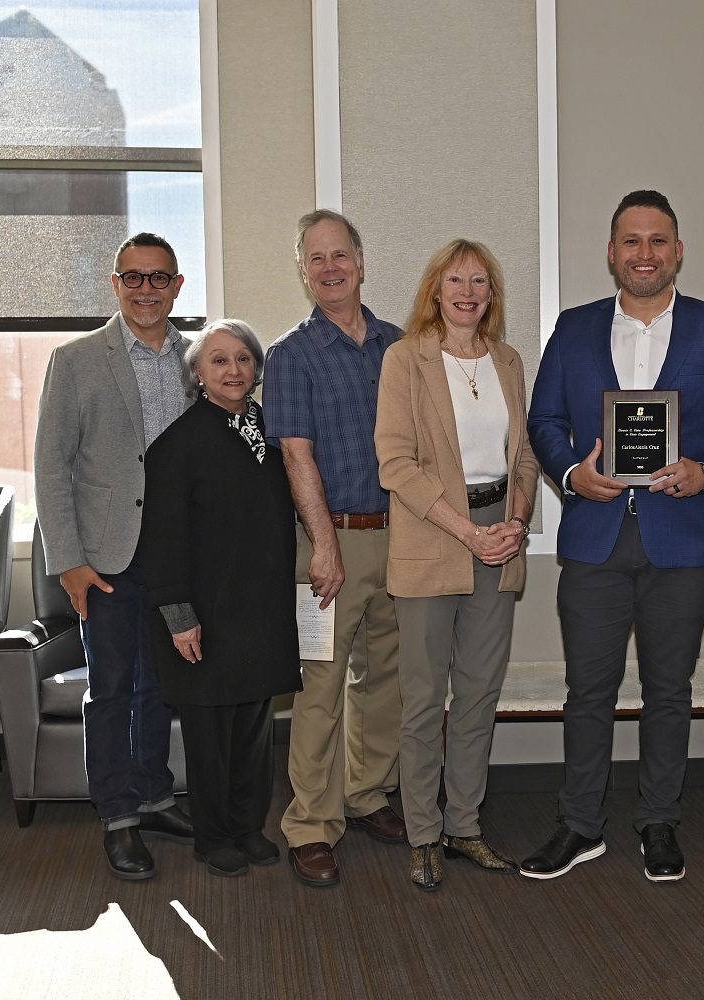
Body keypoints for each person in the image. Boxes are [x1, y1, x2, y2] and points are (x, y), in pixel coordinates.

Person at [522, 190, 704, 882]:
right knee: (588, 692)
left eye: (658, 241)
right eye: (631, 241)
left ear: (679, 252)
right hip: (595, 536)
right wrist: (572, 474)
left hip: (681, 539)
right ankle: (579, 826)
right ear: (611, 253)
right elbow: (543, 421)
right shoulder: (572, 329)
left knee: (669, 690)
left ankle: (659, 821)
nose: (644, 254)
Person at [375, 239, 540, 891]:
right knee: (422, 701)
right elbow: (396, 463)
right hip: (434, 537)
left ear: (491, 294)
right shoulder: (405, 360)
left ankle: (463, 825)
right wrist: (469, 533)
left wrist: (516, 526)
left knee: (478, 695)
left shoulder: (508, 361)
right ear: (435, 291)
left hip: (501, 536)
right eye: (456, 280)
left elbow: (523, 459)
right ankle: (421, 834)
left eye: (480, 281)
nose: (468, 291)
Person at [34, 232, 196, 880]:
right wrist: (69, 561)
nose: (146, 289)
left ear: (177, 286)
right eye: (134, 277)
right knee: (112, 690)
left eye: (159, 278)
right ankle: (118, 816)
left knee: (162, 689)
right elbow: (51, 468)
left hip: (175, 558)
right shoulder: (76, 360)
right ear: (116, 284)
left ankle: (155, 796)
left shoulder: (196, 360)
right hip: (104, 561)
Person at [263, 209, 406, 888]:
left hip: (401, 540)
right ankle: (311, 825)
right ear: (302, 270)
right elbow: (296, 455)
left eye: (339, 255)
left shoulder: (400, 347)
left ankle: (367, 793)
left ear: (361, 260)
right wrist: (323, 545)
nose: (329, 269)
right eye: (314, 259)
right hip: (329, 544)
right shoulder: (290, 355)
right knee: (320, 689)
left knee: (385, 681)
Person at [138, 319, 302, 877]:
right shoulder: (175, 447)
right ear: (197, 374)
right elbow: (161, 542)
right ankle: (212, 838)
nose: (234, 370)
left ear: (256, 369)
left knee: (255, 734)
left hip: (260, 613)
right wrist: (179, 618)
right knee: (210, 736)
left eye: (243, 359)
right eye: (219, 361)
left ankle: (248, 827)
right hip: (203, 616)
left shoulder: (273, 433)